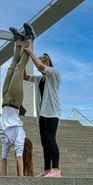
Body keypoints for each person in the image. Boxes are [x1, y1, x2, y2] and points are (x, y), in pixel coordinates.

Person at [0, 23, 36, 176]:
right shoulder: (20, 137)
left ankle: (18, 42)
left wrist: (4, 177)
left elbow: (3, 159)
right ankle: (29, 39)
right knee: (19, 68)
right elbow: (19, 158)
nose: (15, 149)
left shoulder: (6, 143)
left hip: (5, 99)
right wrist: (20, 178)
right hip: (14, 100)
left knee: (12, 66)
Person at [24, 46, 62, 178]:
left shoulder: (54, 73)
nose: (39, 69)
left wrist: (30, 52)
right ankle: (47, 169)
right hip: (43, 113)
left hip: (52, 112)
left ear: (48, 63)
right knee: (44, 141)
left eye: (42, 62)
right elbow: (25, 76)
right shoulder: (41, 79)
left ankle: (56, 170)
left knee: (51, 139)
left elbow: (40, 67)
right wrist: (22, 58)